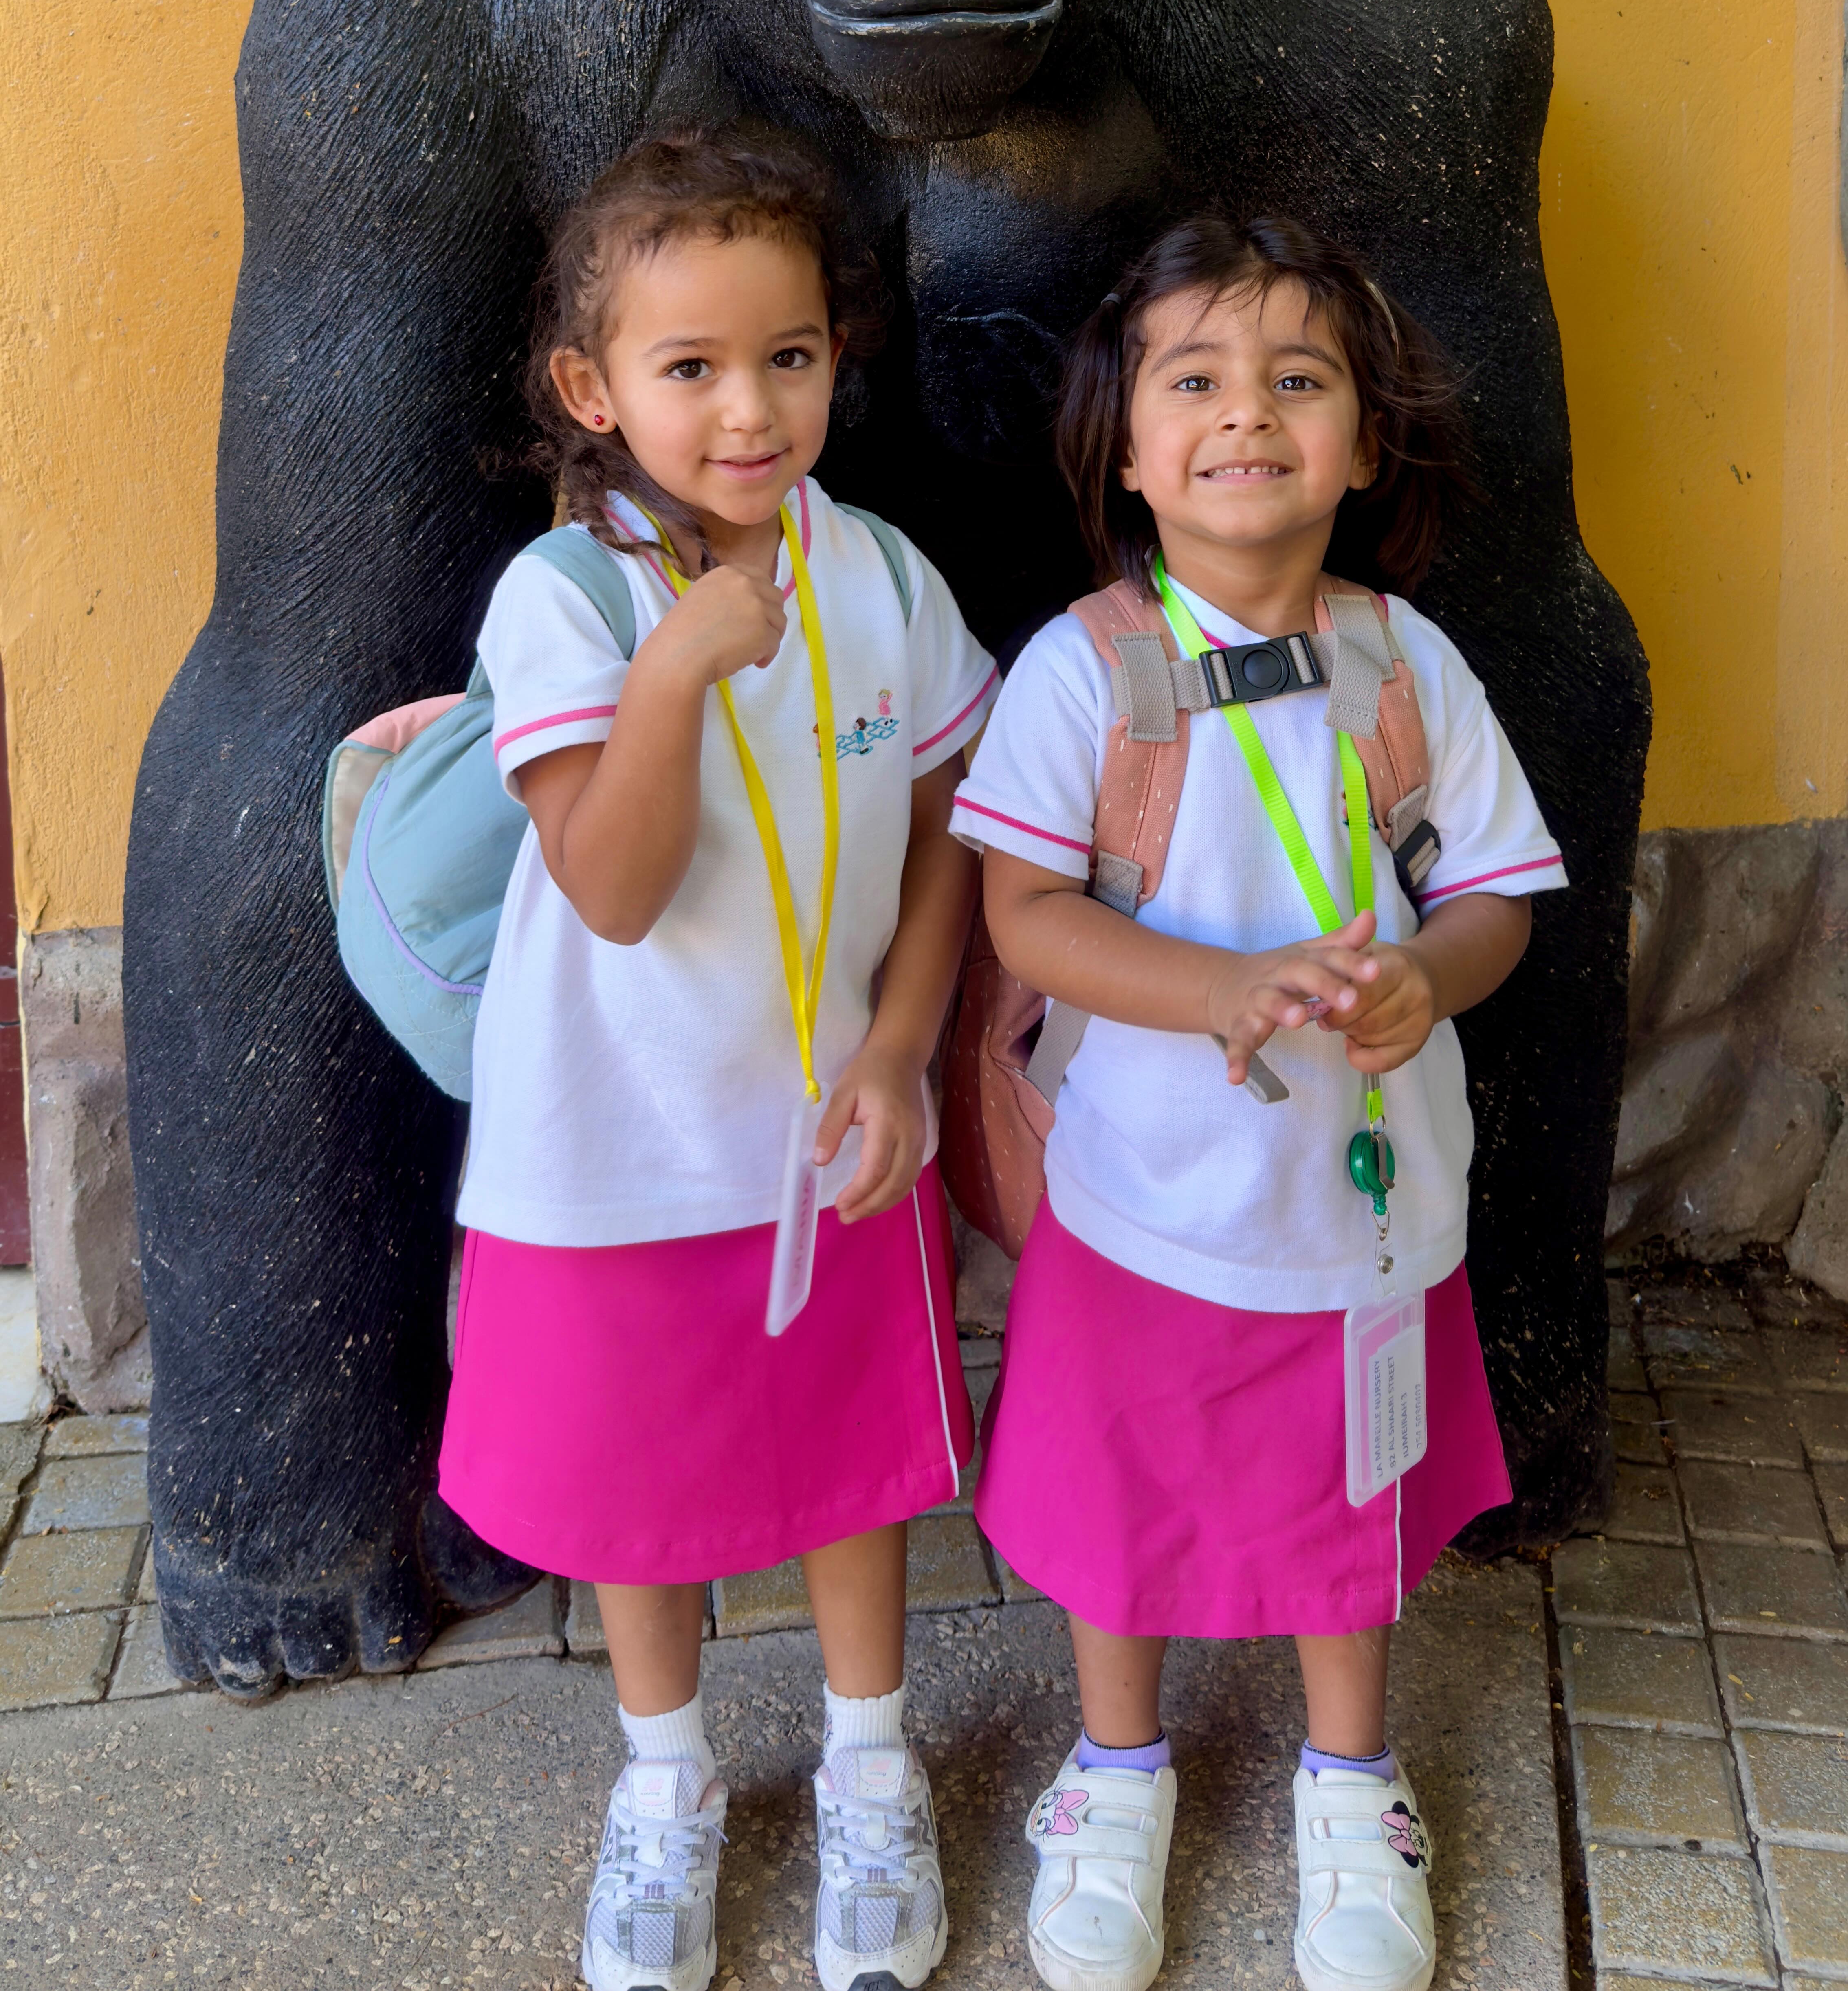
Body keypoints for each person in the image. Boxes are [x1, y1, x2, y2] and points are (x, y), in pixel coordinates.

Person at [950, 213, 1564, 1991]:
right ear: (1127, 451)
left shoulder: (1408, 668)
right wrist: (1218, 990)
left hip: (1358, 1205)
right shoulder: (1086, 674)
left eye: (1300, 382)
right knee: (1120, 1490)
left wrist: (1423, 984)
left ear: (1363, 446)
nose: (1247, 416)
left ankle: (1351, 1783)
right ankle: (1116, 1770)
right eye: (1195, 381)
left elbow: (1498, 897)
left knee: (1349, 1492)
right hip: (1143, 1195)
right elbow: (1024, 914)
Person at [438, 124, 997, 1991]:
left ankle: (867, 1761)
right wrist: (680, 667)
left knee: (847, 1472)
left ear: (839, 356)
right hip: (608, 1149)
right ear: (595, 392)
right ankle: (667, 1782)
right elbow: (608, 888)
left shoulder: (890, 580)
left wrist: (907, 1053)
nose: (748, 409)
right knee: (638, 1493)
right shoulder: (568, 603)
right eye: (690, 369)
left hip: (829, 1132)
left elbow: (947, 838)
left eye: (790, 357)